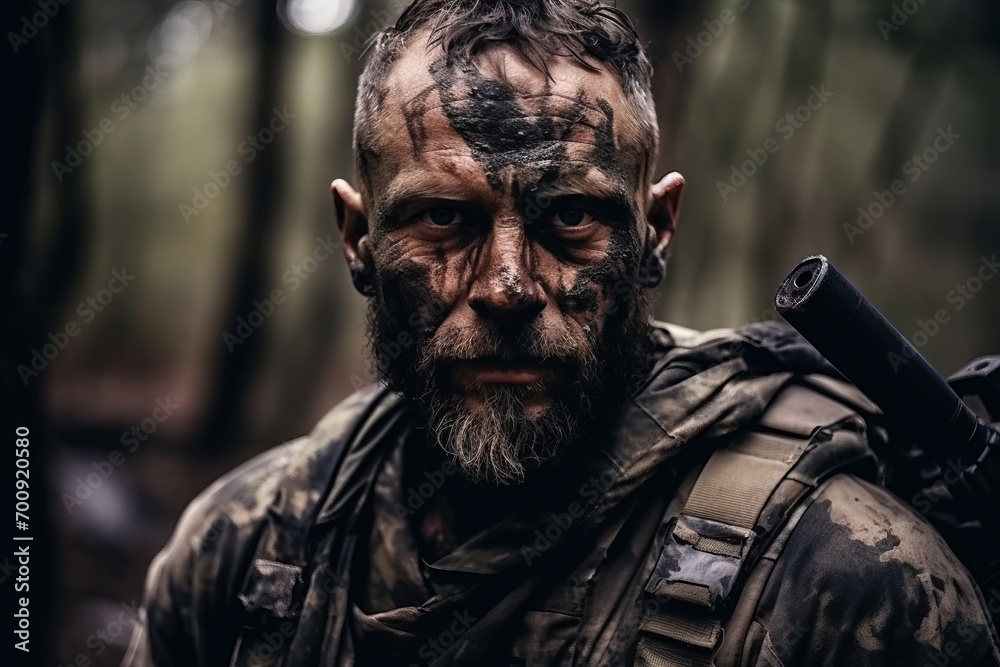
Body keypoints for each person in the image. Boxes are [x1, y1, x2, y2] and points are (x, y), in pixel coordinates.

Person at [124, 1, 1000, 665]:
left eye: (571, 215)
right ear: (358, 239)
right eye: (442, 217)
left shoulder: (849, 583)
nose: (507, 287)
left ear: (655, 230)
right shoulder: (243, 553)